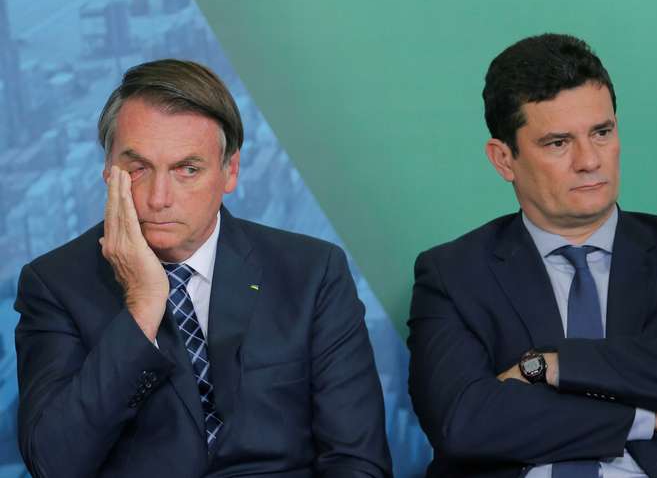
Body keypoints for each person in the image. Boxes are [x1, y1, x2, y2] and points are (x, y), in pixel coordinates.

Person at [15, 59, 392, 478]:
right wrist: (142, 308)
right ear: (108, 170)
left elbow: (357, 461)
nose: (159, 198)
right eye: (137, 169)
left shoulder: (312, 272)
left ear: (230, 171)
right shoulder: (53, 284)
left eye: (187, 170)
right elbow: (54, 464)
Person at [407, 34, 657, 477]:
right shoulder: (452, 273)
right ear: (504, 159)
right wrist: (640, 420)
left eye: (601, 132)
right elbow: (463, 422)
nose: (589, 160)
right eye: (558, 143)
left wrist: (551, 368)